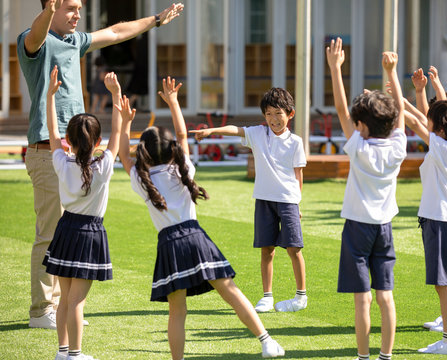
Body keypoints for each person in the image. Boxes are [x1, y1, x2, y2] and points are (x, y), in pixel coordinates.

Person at [17, 0, 184, 329]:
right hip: (47, 150)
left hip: (79, 152)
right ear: (51, 7)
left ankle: (65, 306)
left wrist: (156, 20)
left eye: (79, 7)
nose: (77, 14)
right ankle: (42, 311)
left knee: (72, 232)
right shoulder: (32, 40)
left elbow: (117, 31)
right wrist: (50, 10)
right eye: (70, 8)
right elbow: (37, 34)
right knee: (49, 233)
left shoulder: (74, 41)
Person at [117, 76, 285, 360]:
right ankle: (266, 341)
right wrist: (173, 101)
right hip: (196, 238)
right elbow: (183, 136)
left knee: (177, 311)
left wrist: (123, 120)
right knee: (230, 291)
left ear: (143, 154)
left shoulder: (142, 179)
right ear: (171, 150)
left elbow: (123, 154)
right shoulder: (182, 169)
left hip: (169, 245)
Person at [191, 88, 308, 314]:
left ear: (290, 114)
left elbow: (298, 175)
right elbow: (236, 130)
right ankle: (266, 296)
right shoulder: (257, 134)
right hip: (263, 200)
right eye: (268, 114)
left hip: (287, 201)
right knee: (267, 250)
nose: (273, 119)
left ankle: (301, 296)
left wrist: (297, 204)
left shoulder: (295, 142)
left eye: (278, 113)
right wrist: (212, 131)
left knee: (294, 248)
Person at [326, 38, 407, 360]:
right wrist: (392, 73)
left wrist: (335, 68)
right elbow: (399, 113)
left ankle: (363, 356)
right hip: (385, 228)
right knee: (385, 297)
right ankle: (386, 356)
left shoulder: (358, 147)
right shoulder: (398, 148)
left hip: (358, 229)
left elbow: (341, 110)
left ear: (361, 126)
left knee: (363, 300)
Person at [43, 66, 122, 360]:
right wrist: (116, 95)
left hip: (65, 230)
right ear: (96, 142)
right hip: (89, 234)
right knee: (77, 301)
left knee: (65, 299)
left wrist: (50, 97)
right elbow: (116, 137)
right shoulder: (102, 168)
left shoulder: (63, 163)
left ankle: (63, 352)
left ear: (70, 140)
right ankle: (74, 355)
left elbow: (51, 132)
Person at [402, 95, 447, 354]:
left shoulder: (441, 148)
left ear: (441, 130)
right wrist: (404, 99)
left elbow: (414, 121)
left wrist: (392, 99)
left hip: (440, 222)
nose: (427, 122)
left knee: (443, 284)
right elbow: (422, 119)